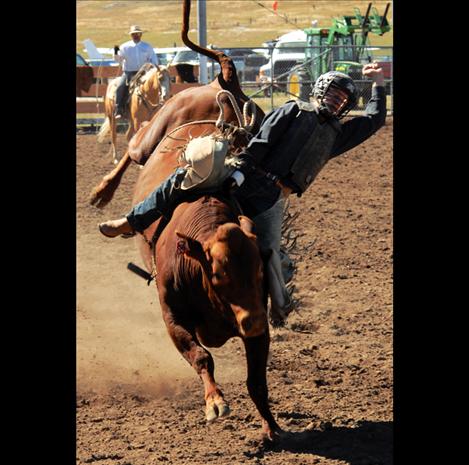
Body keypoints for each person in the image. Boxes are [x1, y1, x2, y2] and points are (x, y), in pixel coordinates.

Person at [99, 62, 387, 324]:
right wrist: (237, 174)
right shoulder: (294, 110)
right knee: (184, 178)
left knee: (272, 252)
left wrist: (379, 83)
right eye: (335, 94)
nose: (338, 102)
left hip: (271, 197)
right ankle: (132, 221)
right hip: (247, 174)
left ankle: (278, 309)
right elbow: (260, 143)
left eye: (344, 100)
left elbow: (374, 120)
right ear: (321, 91)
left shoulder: (338, 134)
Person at [113, 25, 158, 119]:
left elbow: (153, 59)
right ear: (131, 35)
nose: (136, 35)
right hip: (129, 73)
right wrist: (116, 52)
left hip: (144, 73)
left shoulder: (147, 46)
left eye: (137, 33)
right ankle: (119, 109)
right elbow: (118, 59)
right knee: (120, 87)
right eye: (134, 34)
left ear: (141, 34)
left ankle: (158, 107)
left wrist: (152, 67)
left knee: (157, 85)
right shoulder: (125, 47)